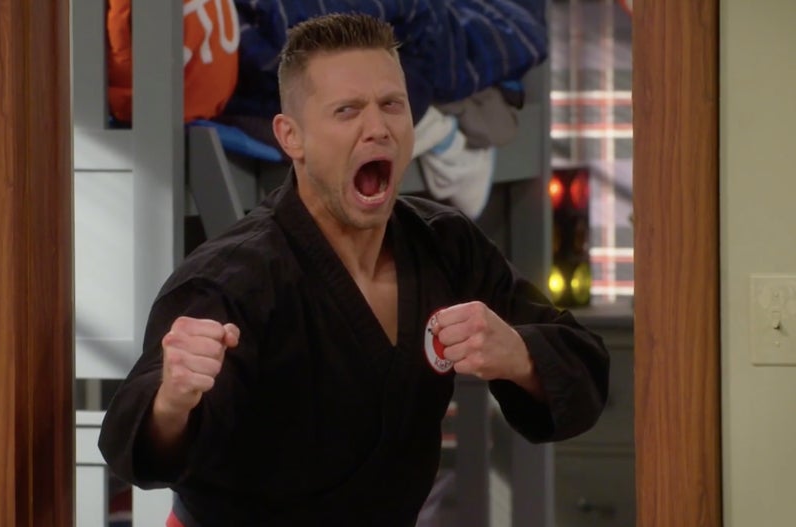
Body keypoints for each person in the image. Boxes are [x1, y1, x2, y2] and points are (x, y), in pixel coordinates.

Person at [98, 12, 609, 527]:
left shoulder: (445, 245)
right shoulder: (233, 280)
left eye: (392, 105)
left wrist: (519, 353)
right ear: (291, 137)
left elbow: (583, 368)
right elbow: (135, 450)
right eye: (347, 111)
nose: (377, 128)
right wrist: (172, 400)